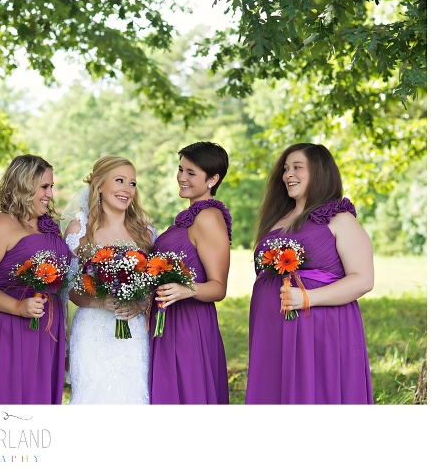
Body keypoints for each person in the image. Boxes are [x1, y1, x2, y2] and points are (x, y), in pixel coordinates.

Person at [245, 143, 374, 404]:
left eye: (297, 167)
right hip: (271, 329)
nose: (287, 175)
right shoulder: (278, 220)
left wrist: (307, 298)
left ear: (319, 172)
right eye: (285, 169)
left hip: (318, 328)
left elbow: (363, 279)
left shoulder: (339, 219)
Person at [0, 154, 68, 404]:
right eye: (44, 186)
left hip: (44, 328)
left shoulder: (48, 227)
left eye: (51, 187)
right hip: (2, 330)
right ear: (23, 185)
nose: (50, 194)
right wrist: (17, 307)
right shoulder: (0, 226)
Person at [61, 155, 156, 404]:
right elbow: (68, 287)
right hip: (92, 330)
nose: (127, 189)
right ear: (99, 185)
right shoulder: (79, 230)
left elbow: (153, 286)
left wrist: (140, 304)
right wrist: (99, 302)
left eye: (132, 183)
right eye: (120, 181)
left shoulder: (145, 233)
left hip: (133, 331)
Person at [148, 141, 231, 404]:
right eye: (181, 169)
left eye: (191, 173)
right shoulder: (189, 217)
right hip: (167, 319)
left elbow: (219, 287)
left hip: (189, 324)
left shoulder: (208, 218)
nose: (182, 177)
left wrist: (186, 289)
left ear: (213, 179)